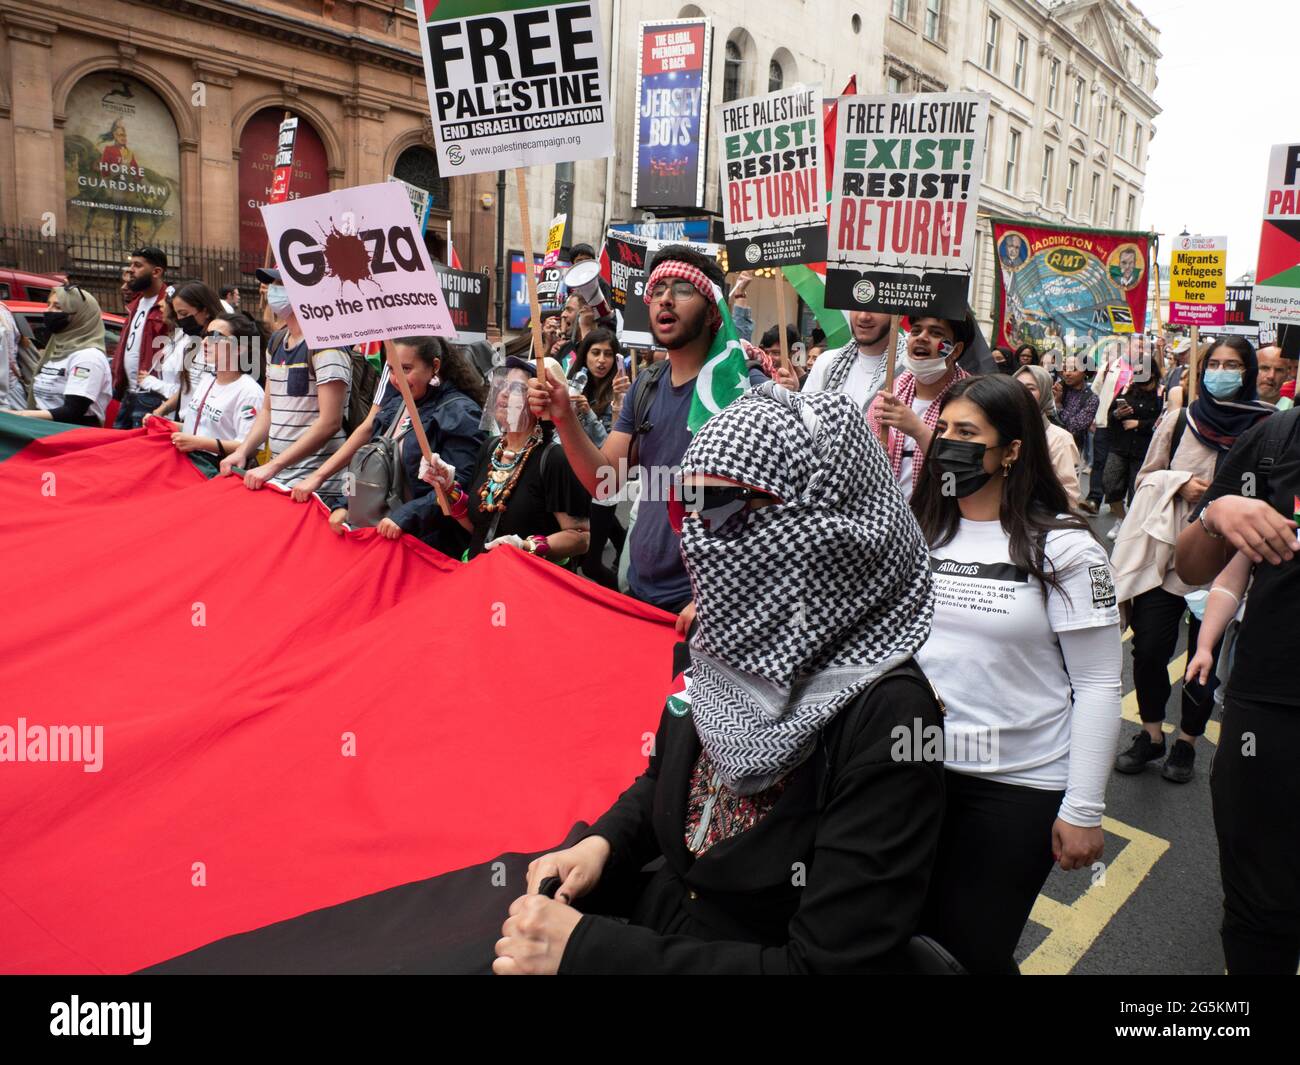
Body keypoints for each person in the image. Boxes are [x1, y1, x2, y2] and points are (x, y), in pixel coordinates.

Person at [493, 384, 945, 975]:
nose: (697, 535)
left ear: (825, 529)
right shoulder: (724, 638)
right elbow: (667, 781)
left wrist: (588, 951)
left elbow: (825, 966)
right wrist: (601, 844)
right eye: (689, 507)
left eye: (723, 508)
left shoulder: (891, 718)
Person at [909, 374, 1121, 974]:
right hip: (909, 776)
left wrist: (1083, 807)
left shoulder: (1066, 548)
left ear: (1012, 450)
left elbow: (1101, 685)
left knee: (970, 952)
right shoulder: (918, 528)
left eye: (968, 433)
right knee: (899, 938)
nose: (947, 443)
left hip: (1016, 788)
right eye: (943, 430)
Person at [528, 246, 767, 628]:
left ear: (711, 312)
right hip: (640, 594)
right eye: (657, 290)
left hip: (704, 611)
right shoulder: (648, 385)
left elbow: (766, 512)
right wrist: (563, 417)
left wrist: (718, 595)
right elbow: (605, 481)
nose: (665, 299)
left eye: (682, 289)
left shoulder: (743, 388)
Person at [1112, 335, 1273, 783]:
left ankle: (1186, 742)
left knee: (1205, 660)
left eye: (1233, 365)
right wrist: (1177, 483)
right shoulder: (1180, 419)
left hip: (1226, 566)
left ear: (1249, 374)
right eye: (1214, 364)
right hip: (1167, 559)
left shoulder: (1267, 428)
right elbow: (1144, 478)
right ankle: (1151, 734)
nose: (1222, 372)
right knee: (1147, 650)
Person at [1174, 406, 1298, 974]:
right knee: (1258, 907)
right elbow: (1198, 568)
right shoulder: (1276, 439)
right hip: (1270, 708)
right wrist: (1218, 514)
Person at [294, 337, 484, 557]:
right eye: (392, 370)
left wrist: (404, 517)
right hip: (380, 541)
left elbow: (459, 486)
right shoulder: (394, 406)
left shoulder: (459, 413)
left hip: (429, 548)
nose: (397, 379)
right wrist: (344, 503)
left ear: (435, 366)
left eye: (406, 369)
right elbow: (364, 466)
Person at [439, 357, 589, 563]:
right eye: (502, 385)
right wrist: (447, 488)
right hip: (480, 575)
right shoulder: (490, 447)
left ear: (541, 401)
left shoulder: (555, 458)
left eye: (517, 388)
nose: (503, 393)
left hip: (524, 583)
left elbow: (580, 538)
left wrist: (525, 546)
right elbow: (480, 526)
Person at [218, 267, 351, 495]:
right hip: (278, 477)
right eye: (274, 284)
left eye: (282, 284)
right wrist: (243, 450)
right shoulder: (278, 341)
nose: (273, 290)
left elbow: (330, 422)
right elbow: (268, 409)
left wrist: (274, 466)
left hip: (318, 484)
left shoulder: (327, 344)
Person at [867, 316, 971, 500]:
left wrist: (918, 430)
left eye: (936, 333)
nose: (921, 337)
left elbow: (965, 475)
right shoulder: (885, 398)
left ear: (956, 350)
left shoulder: (975, 402)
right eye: (915, 331)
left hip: (942, 521)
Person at [4, 286, 112, 426]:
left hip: (71, 436)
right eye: (48, 305)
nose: (48, 311)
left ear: (79, 314)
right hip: (47, 431)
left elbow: (73, 411)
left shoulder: (88, 357)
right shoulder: (56, 350)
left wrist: (18, 415)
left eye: (58, 307)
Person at [166, 312, 265, 463]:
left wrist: (198, 443)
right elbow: (198, 428)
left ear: (240, 348)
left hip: (217, 471)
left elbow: (250, 447)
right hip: (191, 464)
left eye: (216, 336)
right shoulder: (208, 379)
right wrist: (164, 423)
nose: (205, 341)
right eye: (206, 335)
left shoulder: (249, 392)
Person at [777, 310, 901, 410]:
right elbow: (805, 417)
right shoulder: (827, 362)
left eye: (875, 307)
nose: (863, 316)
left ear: (898, 315)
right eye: (857, 304)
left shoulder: (910, 370)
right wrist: (791, 395)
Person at [111, 246, 170, 428]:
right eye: (131, 265)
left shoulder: (169, 304)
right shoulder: (135, 305)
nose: (131, 270)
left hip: (153, 395)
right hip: (129, 393)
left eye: (137, 265)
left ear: (156, 271)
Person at [150, 281, 224, 422]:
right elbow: (188, 389)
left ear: (206, 310)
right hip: (186, 426)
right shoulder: (190, 344)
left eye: (184, 314)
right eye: (177, 314)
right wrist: (161, 411)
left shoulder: (224, 348)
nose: (180, 320)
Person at [1100, 359, 1163, 520]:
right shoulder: (1127, 389)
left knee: (1138, 491)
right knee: (1110, 483)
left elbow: (1165, 422)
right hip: (1120, 446)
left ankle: (1131, 523)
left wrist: (1140, 424)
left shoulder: (1161, 394)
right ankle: (1122, 519)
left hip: (1145, 450)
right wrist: (1118, 414)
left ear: (1153, 373)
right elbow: (1110, 414)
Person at [1015, 364, 1081, 506]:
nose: (1022, 392)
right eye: (1017, 386)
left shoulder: (1059, 439)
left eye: (1031, 388)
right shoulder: (999, 430)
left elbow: (1069, 496)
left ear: (1045, 392)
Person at [1256, 343, 1297, 407]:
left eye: (1279, 370)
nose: (1271, 376)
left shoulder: (1294, 412)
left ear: (1286, 375)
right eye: (1265, 368)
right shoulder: (1239, 406)